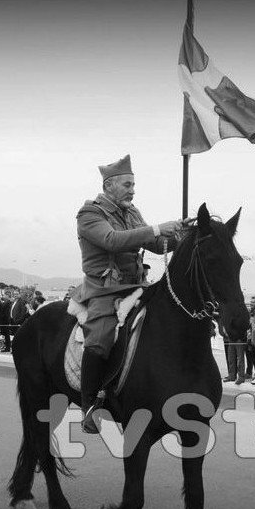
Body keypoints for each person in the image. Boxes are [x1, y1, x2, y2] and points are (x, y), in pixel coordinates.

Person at [73, 154, 183, 433]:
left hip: (137, 285)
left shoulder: (132, 211)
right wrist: (157, 227)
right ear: (109, 185)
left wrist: (182, 234)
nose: (133, 190)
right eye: (127, 184)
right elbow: (112, 241)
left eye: (134, 185)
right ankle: (89, 405)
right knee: (100, 337)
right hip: (105, 289)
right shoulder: (90, 214)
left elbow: (157, 245)